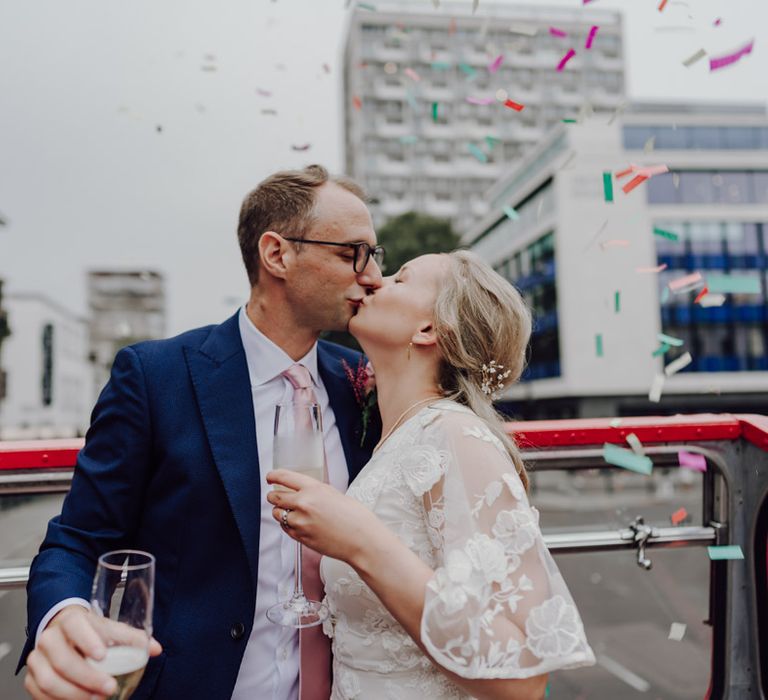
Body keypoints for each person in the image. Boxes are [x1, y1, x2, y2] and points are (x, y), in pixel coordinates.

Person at [20, 164, 384, 699]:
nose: (372, 275)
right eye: (352, 253)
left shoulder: (363, 382)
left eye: (375, 256)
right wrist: (61, 618)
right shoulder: (154, 376)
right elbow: (76, 540)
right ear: (277, 254)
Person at [266, 251, 596, 700]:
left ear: (429, 329)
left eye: (400, 278)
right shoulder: (394, 441)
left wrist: (361, 541)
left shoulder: (456, 436)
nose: (375, 280)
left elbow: (524, 678)